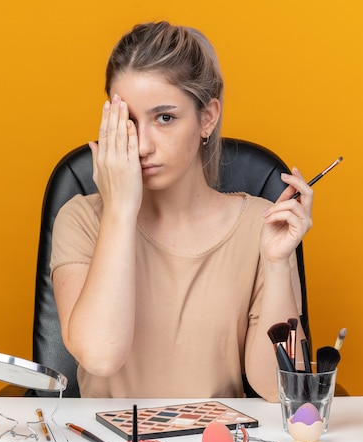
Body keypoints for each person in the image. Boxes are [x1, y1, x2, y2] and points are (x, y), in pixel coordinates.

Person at [50, 21, 313, 401]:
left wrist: (275, 264)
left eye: (165, 118)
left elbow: (282, 391)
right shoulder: (82, 219)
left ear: (207, 118)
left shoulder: (259, 225)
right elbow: (101, 356)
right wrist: (120, 210)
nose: (141, 146)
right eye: (127, 121)